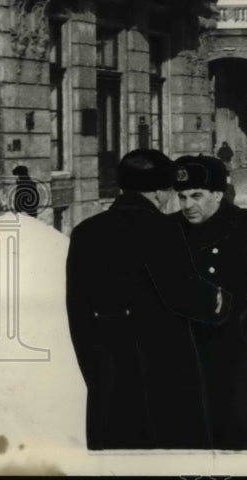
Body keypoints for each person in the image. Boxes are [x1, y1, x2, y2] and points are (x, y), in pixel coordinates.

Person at [65, 149, 231, 450]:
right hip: (163, 380)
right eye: (169, 190)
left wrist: (97, 375)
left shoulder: (84, 233)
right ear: (158, 192)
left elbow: (78, 314)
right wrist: (219, 299)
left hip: (108, 379)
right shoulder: (164, 230)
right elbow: (184, 293)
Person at [171, 155, 247, 451]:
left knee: (233, 442)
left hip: (231, 358)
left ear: (216, 193)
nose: (188, 205)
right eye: (183, 196)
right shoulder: (167, 230)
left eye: (196, 195)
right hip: (176, 358)